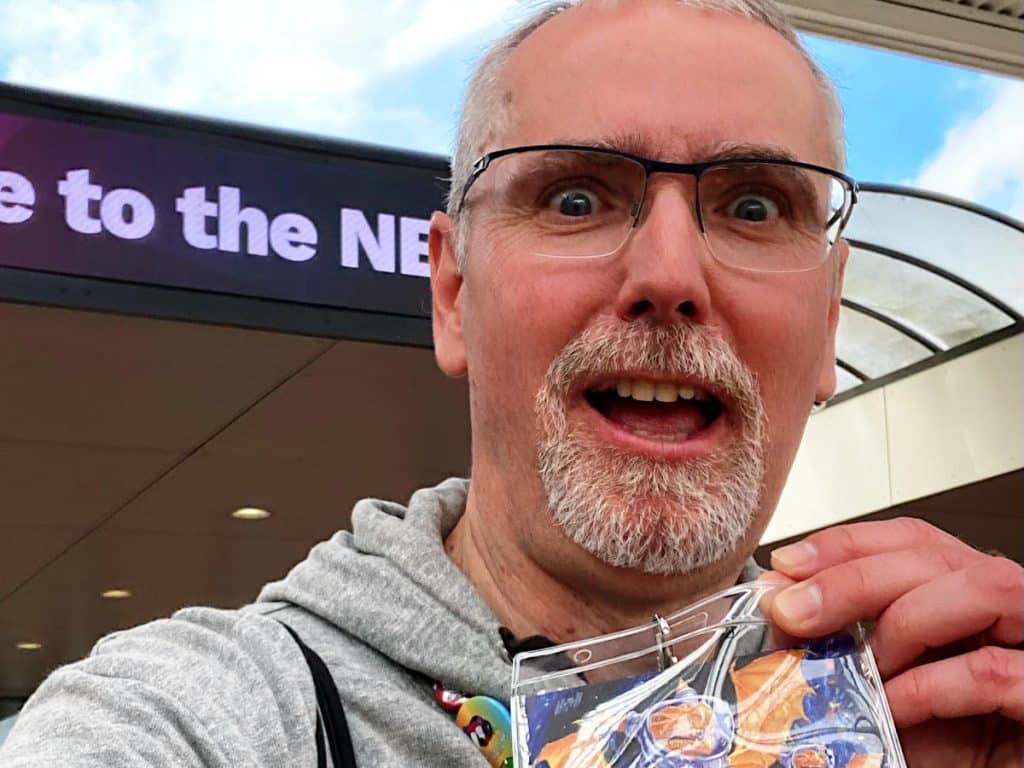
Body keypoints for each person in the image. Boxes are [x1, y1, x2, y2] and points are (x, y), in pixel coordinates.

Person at [2, 1, 1021, 766]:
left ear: (830, 316)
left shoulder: (919, 712)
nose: (668, 276)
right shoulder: (200, 717)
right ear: (452, 292)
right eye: (575, 196)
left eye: (752, 208)